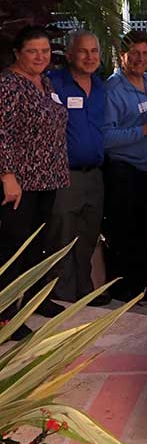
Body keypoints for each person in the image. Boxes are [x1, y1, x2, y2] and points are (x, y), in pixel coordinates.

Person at [0, 26, 69, 335]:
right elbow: (2, 133)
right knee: (13, 246)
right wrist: (8, 176)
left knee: (38, 243)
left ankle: (36, 298)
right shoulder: (8, 85)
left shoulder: (47, 81)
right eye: (33, 51)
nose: (40, 56)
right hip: (19, 181)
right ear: (18, 53)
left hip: (47, 177)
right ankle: (7, 314)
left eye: (45, 51)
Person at [44, 30, 111, 306]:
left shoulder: (100, 87)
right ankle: (61, 297)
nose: (89, 57)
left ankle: (84, 290)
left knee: (88, 235)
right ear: (69, 54)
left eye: (94, 51)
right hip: (64, 175)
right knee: (61, 235)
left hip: (94, 175)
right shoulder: (53, 83)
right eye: (83, 51)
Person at [102, 30, 147, 302]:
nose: (141, 59)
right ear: (122, 55)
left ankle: (143, 285)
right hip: (122, 171)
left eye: (145, 53)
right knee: (122, 232)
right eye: (135, 54)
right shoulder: (113, 89)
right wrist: (145, 130)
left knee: (142, 231)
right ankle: (122, 288)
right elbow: (105, 137)